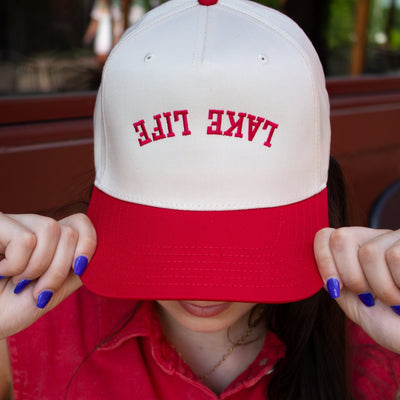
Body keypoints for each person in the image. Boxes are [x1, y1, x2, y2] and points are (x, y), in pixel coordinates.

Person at [1, 0, 400, 399]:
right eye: (166, 238)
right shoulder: (37, 325)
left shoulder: (375, 347)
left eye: (245, 238)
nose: (203, 291)